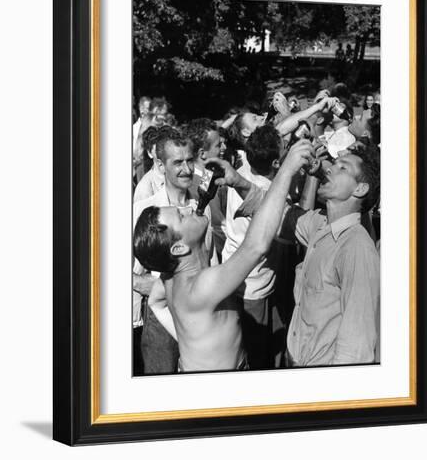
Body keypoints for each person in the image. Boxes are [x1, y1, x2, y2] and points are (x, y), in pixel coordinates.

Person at [133, 140, 315, 372]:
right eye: (181, 216)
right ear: (178, 249)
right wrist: (287, 170)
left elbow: (157, 304)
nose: (188, 208)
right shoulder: (202, 286)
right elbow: (255, 246)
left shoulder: (168, 280)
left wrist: (188, 338)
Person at [285, 145, 380, 366]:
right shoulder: (320, 224)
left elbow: (355, 350)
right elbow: (280, 214)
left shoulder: (356, 248)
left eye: (342, 167)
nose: (329, 170)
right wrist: (239, 182)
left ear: (360, 189)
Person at [132, 129, 216, 374]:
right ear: (160, 165)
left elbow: (209, 257)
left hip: (202, 314)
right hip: (162, 316)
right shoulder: (144, 209)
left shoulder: (202, 204)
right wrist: (155, 288)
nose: (187, 169)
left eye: (190, 160)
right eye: (177, 162)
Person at [221, 125, 285, 368]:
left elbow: (280, 131)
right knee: (256, 350)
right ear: (277, 163)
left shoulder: (243, 168)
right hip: (255, 285)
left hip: (233, 272)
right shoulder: (270, 194)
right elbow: (286, 234)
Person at [184, 118, 226, 257]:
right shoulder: (197, 186)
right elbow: (216, 227)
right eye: (218, 145)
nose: (223, 148)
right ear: (202, 153)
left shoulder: (209, 175)